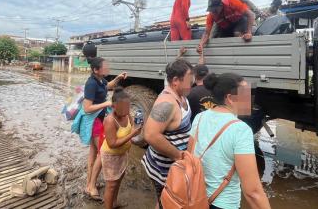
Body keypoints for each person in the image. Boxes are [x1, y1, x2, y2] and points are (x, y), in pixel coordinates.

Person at [188, 73, 271, 209]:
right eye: (246, 94)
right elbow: (253, 192)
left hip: (197, 197)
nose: (250, 100)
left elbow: (190, 156)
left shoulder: (200, 117)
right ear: (230, 98)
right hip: (223, 204)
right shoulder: (240, 130)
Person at [141, 59, 193, 208]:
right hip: (164, 169)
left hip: (174, 167)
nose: (192, 83)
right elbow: (150, 135)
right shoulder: (167, 102)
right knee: (168, 203)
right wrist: (178, 156)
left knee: (164, 201)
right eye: (189, 80)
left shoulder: (181, 95)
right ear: (176, 80)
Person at [82, 57, 127, 201]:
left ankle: (89, 184)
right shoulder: (91, 84)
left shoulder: (100, 80)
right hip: (94, 121)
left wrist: (118, 78)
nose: (108, 68)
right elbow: (87, 108)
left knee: (94, 153)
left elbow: (108, 85)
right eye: (105, 67)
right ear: (96, 70)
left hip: (100, 119)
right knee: (103, 153)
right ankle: (91, 186)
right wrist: (107, 103)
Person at [101, 87, 142, 209]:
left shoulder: (126, 114)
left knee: (118, 180)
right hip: (111, 156)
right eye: (123, 107)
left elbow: (131, 126)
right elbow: (112, 143)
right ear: (114, 106)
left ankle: (114, 203)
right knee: (111, 185)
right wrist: (132, 135)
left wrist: (136, 126)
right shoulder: (110, 120)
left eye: (128, 107)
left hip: (123, 154)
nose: (127, 110)